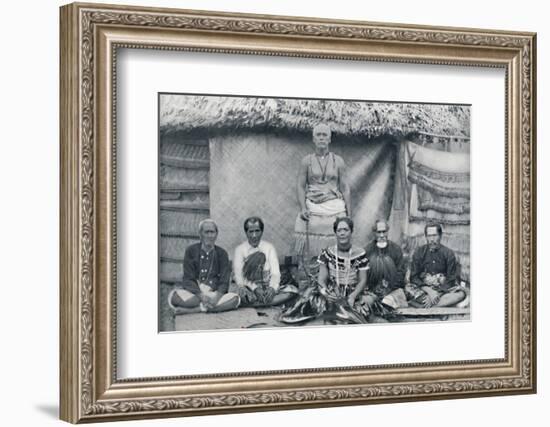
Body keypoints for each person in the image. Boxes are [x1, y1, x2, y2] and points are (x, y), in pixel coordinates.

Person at [293, 123, 351, 258]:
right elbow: (300, 186)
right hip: (313, 204)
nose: (321, 138)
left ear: (329, 139)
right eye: (318, 135)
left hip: (334, 205)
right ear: (313, 139)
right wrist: (303, 208)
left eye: (324, 135)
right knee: (301, 225)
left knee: (342, 228)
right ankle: (311, 270)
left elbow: (345, 188)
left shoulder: (339, 161)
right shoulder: (306, 161)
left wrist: (349, 213)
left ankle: (336, 266)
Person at [168, 219, 240, 314]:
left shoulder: (222, 253)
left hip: (214, 294)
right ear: (200, 234)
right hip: (195, 293)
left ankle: (197, 309)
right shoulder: (191, 251)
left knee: (235, 299)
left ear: (216, 234)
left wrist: (217, 297)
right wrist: (201, 296)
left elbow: (224, 281)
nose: (210, 236)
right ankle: (209, 308)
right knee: (174, 296)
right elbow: (188, 278)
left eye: (212, 232)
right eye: (206, 232)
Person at [233, 217, 296, 307]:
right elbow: (239, 276)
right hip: (250, 288)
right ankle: (263, 303)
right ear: (246, 233)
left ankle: (257, 303)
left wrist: (272, 289)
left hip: (267, 286)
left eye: (257, 231)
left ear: (262, 232)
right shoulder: (240, 250)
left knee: (292, 291)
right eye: (251, 231)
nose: (254, 235)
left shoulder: (269, 248)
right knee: (240, 294)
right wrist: (255, 288)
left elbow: (275, 273)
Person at [409, 222, 467, 308]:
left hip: (443, 289)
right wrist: (429, 291)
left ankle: (425, 304)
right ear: (426, 237)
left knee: (461, 294)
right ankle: (437, 304)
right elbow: (414, 277)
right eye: (429, 236)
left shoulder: (448, 254)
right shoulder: (419, 252)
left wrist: (437, 293)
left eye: (434, 235)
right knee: (407, 289)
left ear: (440, 236)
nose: (432, 239)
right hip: (423, 288)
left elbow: (451, 279)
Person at [364, 220, 408, 309]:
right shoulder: (367, 250)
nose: (382, 235)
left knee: (390, 301)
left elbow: (401, 273)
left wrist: (388, 288)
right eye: (379, 232)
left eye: (384, 232)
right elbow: (364, 274)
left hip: (392, 289)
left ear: (387, 232)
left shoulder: (396, 249)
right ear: (374, 233)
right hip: (373, 290)